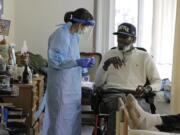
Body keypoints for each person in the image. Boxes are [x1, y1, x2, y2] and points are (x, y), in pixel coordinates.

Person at [94, 22, 161, 135]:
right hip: (112, 94)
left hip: (136, 95)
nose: (120, 40)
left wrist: (147, 89)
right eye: (119, 36)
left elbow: (157, 82)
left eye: (125, 37)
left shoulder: (144, 56)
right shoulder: (109, 54)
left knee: (134, 109)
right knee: (120, 105)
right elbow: (98, 83)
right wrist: (106, 65)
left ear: (134, 40)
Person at [42, 8, 96, 135]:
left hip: (72, 87)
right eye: (86, 26)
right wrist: (77, 63)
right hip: (61, 87)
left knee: (71, 121)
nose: (86, 30)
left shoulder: (74, 36)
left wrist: (84, 66)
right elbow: (55, 61)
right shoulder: (61, 35)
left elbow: (72, 57)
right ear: (79, 24)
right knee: (61, 121)